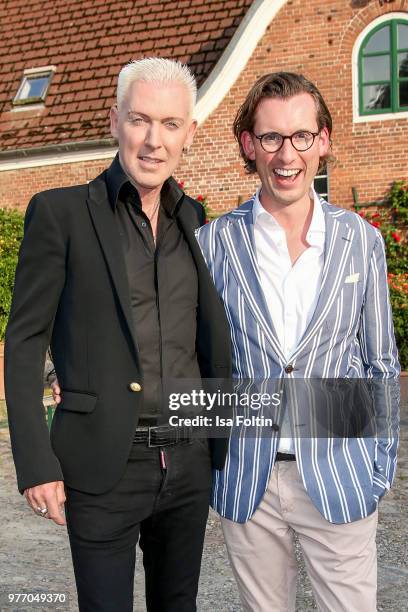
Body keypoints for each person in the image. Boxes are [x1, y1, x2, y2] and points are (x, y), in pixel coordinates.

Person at [5, 57, 231, 612]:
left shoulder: (196, 220)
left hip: (188, 460)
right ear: (114, 122)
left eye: (171, 124)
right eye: (140, 120)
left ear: (190, 132)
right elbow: (25, 340)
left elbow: (206, 340)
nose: (154, 140)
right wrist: (36, 464)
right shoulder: (60, 214)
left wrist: (220, 440)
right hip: (102, 465)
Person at [195, 72, 399, 611]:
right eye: (271, 138)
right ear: (248, 144)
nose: (287, 154)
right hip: (249, 476)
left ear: (323, 140)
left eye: (301, 136)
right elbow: (199, 361)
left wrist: (378, 468)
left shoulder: (362, 240)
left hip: (339, 468)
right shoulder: (213, 243)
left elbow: (379, 361)